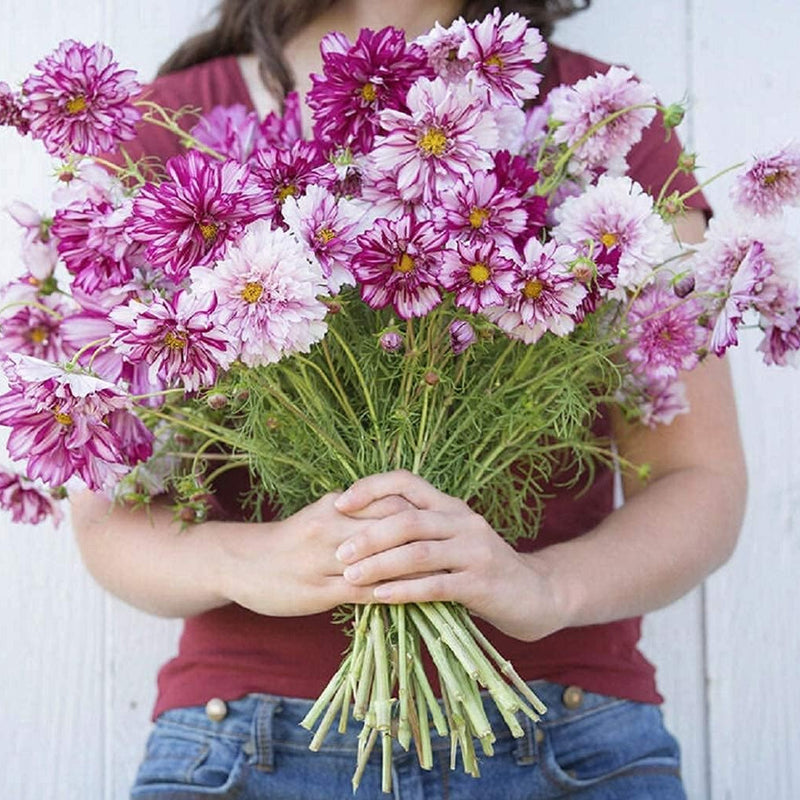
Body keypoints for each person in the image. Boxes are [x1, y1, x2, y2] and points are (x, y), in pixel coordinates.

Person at [70, 1, 747, 797]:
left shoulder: (599, 119)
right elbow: (105, 515)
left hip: (565, 730)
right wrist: (249, 561)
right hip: (246, 741)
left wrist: (546, 588)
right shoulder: (163, 133)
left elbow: (697, 476)